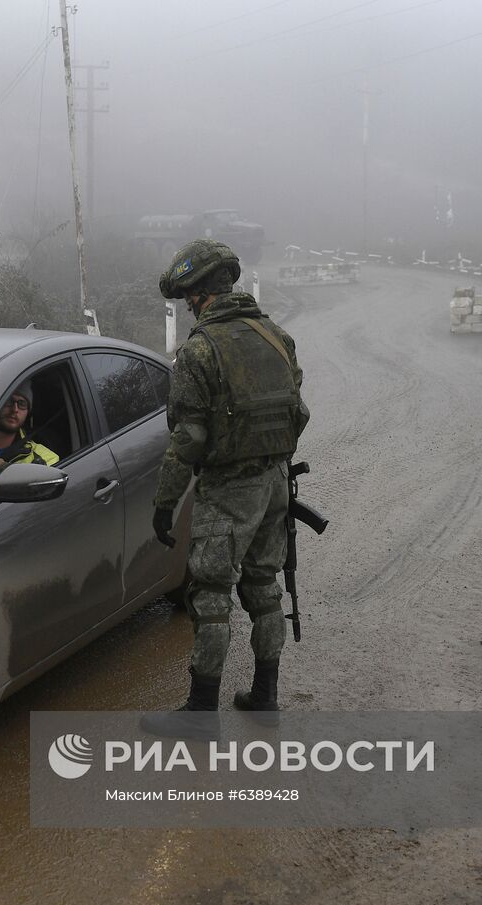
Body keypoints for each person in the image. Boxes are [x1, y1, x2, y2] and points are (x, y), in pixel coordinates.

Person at [141, 238, 309, 739]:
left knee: (211, 592)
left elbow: (188, 436)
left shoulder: (199, 351)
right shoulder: (277, 336)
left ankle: (200, 712)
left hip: (229, 487)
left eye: (187, 297)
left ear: (198, 295)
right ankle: (265, 697)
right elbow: (295, 412)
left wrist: (165, 501)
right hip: (276, 482)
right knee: (262, 585)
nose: (188, 305)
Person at [0, 381, 58, 478]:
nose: (15, 409)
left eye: (22, 404)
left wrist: (3, 470)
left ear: (28, 412)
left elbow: (44, 486)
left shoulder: (42, 457)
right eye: (8, 401)